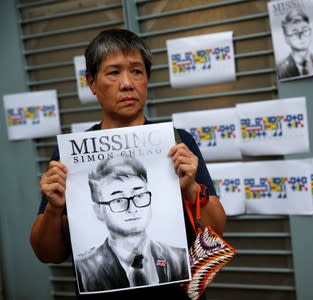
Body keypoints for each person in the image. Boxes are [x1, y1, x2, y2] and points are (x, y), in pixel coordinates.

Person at [30, 28, 226, 299]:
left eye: (136, 71)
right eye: (113, 72)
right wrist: (53, 209)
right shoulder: (70, 157)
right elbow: (47, 253)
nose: (127, 83)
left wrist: (191, 187)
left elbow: (216, 229)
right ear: (91, 82)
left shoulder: (178, 142)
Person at [76, 156, 189, 292]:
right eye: (118, 200)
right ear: (98, 211)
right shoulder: (84, 269)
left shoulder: (179, 258)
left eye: (139, 195)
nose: (132, 208)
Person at [276, 8, 313, 80]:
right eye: (295, 32)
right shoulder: (280, 69)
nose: (301, 36)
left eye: (305, 30)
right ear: (286, 39)